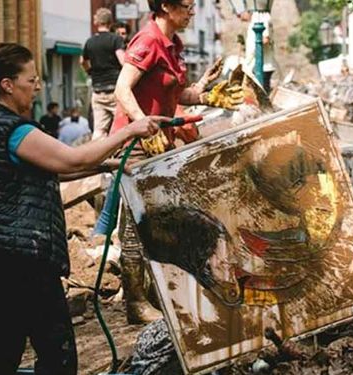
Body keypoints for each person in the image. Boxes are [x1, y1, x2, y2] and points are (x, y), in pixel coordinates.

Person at [0, 42, 164, 375]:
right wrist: (129, 130)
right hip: (22, 257)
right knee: (56, 351)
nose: (37, 85)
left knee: (3, 346)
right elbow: (72, 158)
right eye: (31, 79)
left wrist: (107, 166)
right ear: (7, 85)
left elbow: (56, 168)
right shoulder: (15, 130)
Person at [111, 0, 243, 324]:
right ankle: (135, 302)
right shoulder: (148, 41)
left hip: (158, 143)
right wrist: (141, 124)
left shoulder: (173, 45)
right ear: (166, 6)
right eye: (187, 5)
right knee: (135, 225)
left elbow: (175, 94)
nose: (192, 11)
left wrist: (206, 96)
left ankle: (156, 293)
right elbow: (121, 89)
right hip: (135, 145)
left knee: (157, 222)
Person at [82, 8, 125, 140]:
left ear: (96, 22)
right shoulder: (115, 39)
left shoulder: (90, 42)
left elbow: (83, 61)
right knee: (122, 128)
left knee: (99, 130)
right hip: (115, 90)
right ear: (110, 22)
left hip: (98, 90)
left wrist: (90, 71)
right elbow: (122, 60)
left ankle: (100, 159)